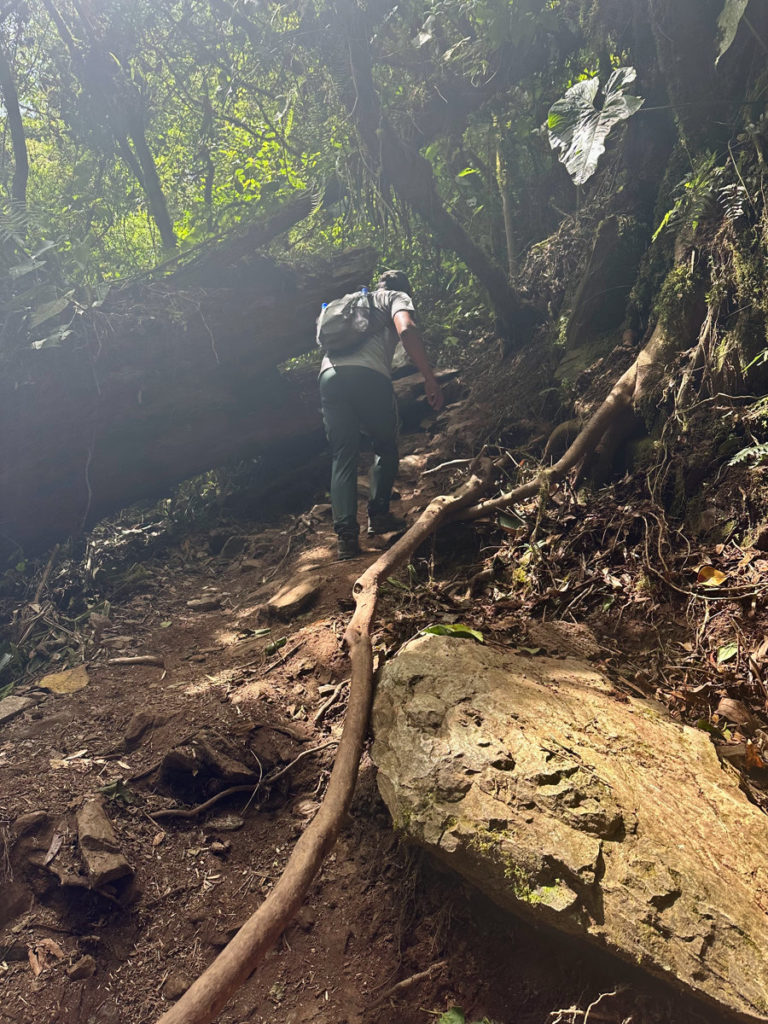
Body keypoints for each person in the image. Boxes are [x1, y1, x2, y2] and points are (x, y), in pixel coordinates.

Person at [319, 269, 444, 560]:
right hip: (369, 376)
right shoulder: (395, 297)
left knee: (342, 455)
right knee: (385, 445)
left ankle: (346, 540)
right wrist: (428, 376)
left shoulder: (351, 301)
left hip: (329, 376)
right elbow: (407, 329)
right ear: (406, 290)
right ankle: (378, 515)